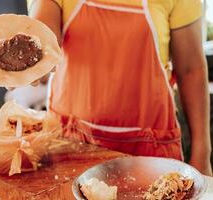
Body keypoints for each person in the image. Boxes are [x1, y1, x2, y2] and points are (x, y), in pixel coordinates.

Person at [27, 0, 212, 175]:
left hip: (150, 155)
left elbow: (191, 70)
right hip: (70, 145)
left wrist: (202, 154)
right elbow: (41, 38)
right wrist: (30, 59)